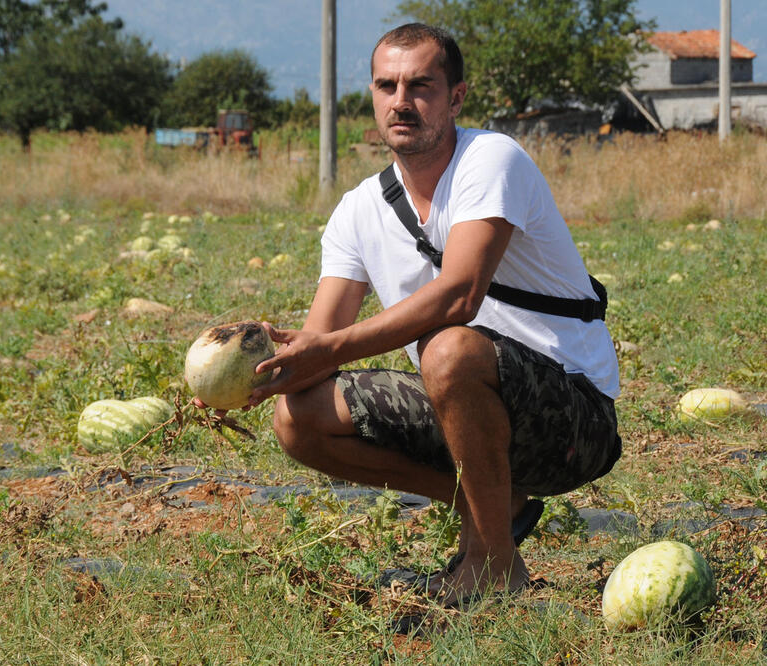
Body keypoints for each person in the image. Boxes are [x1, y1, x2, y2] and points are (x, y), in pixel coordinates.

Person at [215, 23, 621, 608]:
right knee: (297, 417)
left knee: (450, 348)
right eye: (387, 86)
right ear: (374, 97)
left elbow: (460, 295)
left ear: (455, 97)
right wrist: (240, 380)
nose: (401, 101)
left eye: (420, 86)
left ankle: (493, 566)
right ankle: (497, 506)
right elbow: (319, 338)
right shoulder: (358, 211)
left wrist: (325, 351)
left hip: (571, 421)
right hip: (460, 403)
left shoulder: (490, 160)